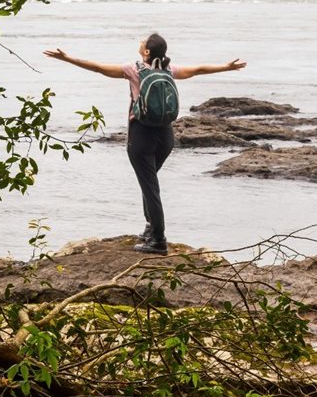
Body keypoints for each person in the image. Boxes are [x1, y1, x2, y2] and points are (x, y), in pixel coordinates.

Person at [44, 33, 247, 254]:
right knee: (149, 184)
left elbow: (99, 68)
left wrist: (68, 58)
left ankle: (158, 240)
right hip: (166, 137)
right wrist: (226, 67)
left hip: (141, 136)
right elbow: (198, 70)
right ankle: (151, 229)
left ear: (147, 52)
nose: (140, 42)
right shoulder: (169, 70)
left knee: (150, 188)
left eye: (143, 41)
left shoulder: (135, 70)